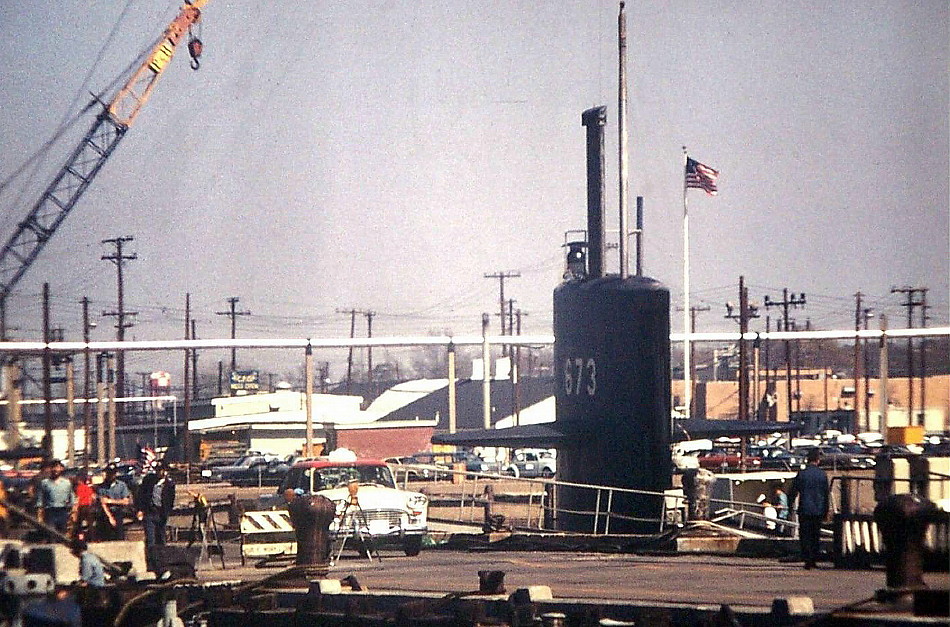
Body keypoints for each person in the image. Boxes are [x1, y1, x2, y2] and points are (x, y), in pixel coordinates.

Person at [788, 448, 829, 569]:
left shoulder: (802, 474)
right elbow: (826, 494)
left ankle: (807, 559)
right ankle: (813, 559)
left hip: (805, 508)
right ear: (818, 460)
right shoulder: (822, 475)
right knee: (815, 535)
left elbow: (793, 492)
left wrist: (790, 506)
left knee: (805, 535)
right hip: (818, 509)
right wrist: (826, 510)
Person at [136, 460, 175, 571]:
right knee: (150, 539)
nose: (161, 473)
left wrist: (167, 513)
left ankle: (162, 563)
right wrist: (140, 510)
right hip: (149, 513)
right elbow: (141, 496)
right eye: (159, 470)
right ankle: (151, 563)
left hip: (161, 514)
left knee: (161, 538)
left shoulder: (169, 484)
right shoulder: (149, 480)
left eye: (163, 470)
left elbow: (170, 500)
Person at [36, 459, 75, 538]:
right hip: (50, 512)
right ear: (50, 468)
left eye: (57, 467)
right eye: (53, 467)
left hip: (63, 511)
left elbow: (72, 497)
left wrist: (73, 512)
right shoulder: (44, 483)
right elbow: (40, 499)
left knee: (63, 535)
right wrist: (39, 515)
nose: (55, 469)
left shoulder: (67, 483)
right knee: (51, 534)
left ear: (61, 468)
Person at [96, 464, 132, 540]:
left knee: (119, 536)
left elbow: (126, 501)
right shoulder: (102, 487)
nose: (111, 475)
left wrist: (110, 501)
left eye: (113, 473)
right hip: (106, 514)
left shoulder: (121, 485)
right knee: (106, 537)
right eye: (109, 473)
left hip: (118, 513)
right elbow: (103, 503)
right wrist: (110, 517)